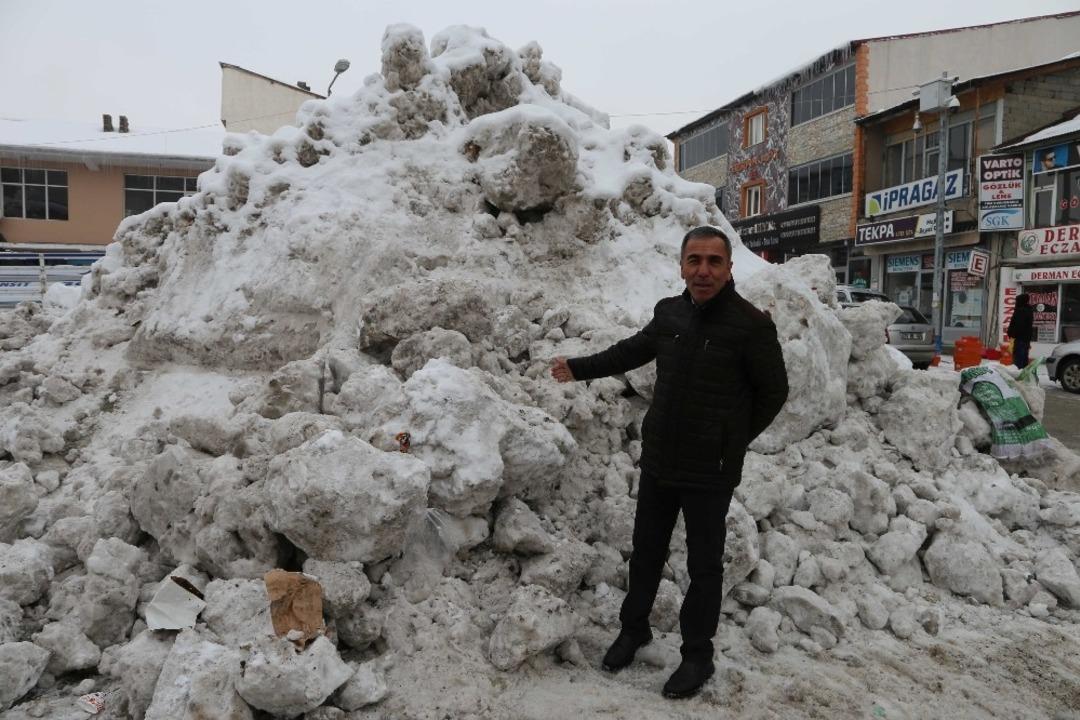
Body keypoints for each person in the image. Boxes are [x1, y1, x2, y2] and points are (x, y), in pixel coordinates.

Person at [550, 226, 789, 699]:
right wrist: (578, 368)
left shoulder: (751, 325)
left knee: (703, 567)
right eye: (694, 260)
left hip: (710, 471)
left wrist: (731, 440)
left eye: (713, 261)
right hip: (660, 460)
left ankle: (697, 654)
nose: (703, 270)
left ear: (729, 268)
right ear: (681, 266)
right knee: (646, 552)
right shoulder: (670, 313)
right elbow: (631, 351)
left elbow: (774, 392)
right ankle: (633, 629)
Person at [1007, 293, 1035, 369]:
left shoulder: (1020, 311)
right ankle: (1023, 375)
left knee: (1018, 360)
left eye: (1017, 301)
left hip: (1019, 339)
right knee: (1024, 359)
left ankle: (1018, 375)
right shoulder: (1029, 310)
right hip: (1026, 339)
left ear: (1020, 301)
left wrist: (1011, 333)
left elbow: (1018, 326)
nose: (1016, 302)